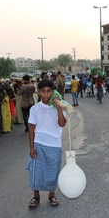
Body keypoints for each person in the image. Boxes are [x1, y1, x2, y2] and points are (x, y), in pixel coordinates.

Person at [26, 79, 67, 208]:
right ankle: (36, 196)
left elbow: (62, 124)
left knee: (53, 171)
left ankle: (51, 195)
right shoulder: (35, 109)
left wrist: (59, 108)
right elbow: (32, 128)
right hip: (39, 143)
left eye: (49, 91)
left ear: (52, 92)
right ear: (39, 93)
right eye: (43, 91)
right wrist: (32, 147)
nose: (46, 94)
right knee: (36, 172)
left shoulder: (60, 106)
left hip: (54, 144)